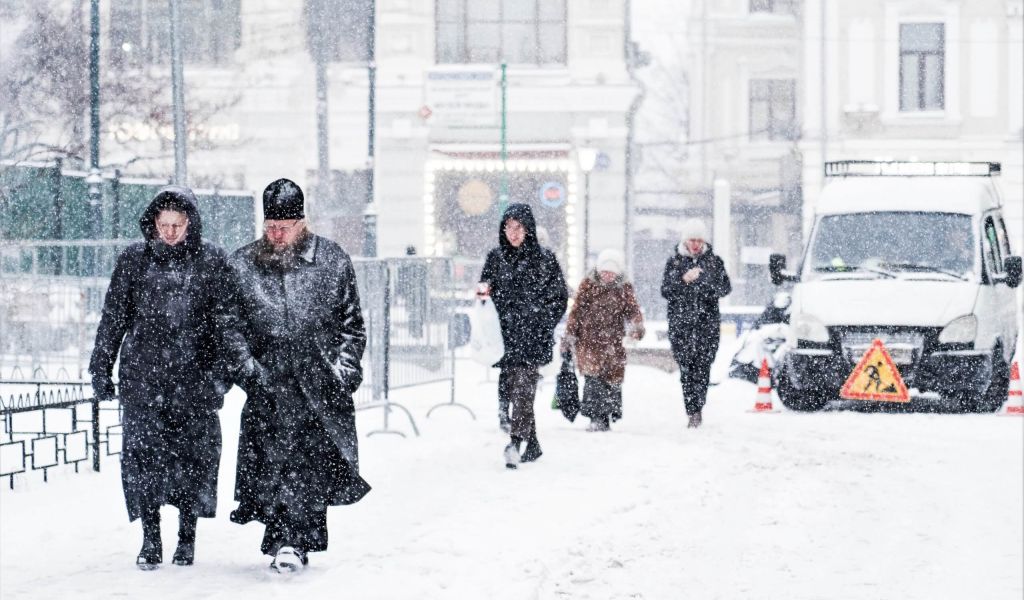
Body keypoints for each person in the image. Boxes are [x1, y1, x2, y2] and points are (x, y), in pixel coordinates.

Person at [221, 178, 371, 573]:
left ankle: (292, 541)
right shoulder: (242, 265)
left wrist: (343, 373)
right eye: (270, 226)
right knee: (272, 465)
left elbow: (352, 325)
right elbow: (228, 326)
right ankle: (286, 539)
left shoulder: (332, 260)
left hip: (319, 384)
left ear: (301, 222)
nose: (276, 234)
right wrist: (249, 371)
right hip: (268, 383)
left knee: (307, 466)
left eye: (284, 227)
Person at [89, 186, 230, 570]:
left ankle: (187, 539)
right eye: (163, 224)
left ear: (190, 224)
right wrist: (100, 367)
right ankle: (151, 540)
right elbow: (113, 319)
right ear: (153, 223)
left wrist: (220, 379)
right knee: (143, 462)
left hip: (194, 382)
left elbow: (225, 326)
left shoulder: (211, 261)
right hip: (143, 380)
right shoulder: (134, 261)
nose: (168, 232)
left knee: (193, 462)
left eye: (177, 225)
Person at [478, 203, 568, 469]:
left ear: (528, 229)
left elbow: (559, 297)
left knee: (523, 390)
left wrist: (542, 320)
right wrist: (484, 295)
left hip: (533, 336)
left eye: (518, 228)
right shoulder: (496, 258)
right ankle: (534, 444)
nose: (513, 233)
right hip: (505, 337)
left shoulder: (545, 259)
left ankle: (515, 443)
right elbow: (485, 290)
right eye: (508, 227)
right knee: (515, 389)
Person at [563, 248, 645, 432]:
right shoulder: (588, 286)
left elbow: (633, 311)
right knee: (593, 380)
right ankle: (595, 417)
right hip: (589, 342)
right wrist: (570, 335)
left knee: (611, 381)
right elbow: (576, 312)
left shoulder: (624, 289)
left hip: (613, 343)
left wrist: (636, 328)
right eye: (604, 271)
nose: (607, 275)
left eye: (611, 272)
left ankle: (607, 415)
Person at [661, 218, 731, 428]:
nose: (695, 244)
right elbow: (666, 290)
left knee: (703, 368)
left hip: (706, 326)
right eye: (692, 240)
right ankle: (692, 409)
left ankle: (697, 407)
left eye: (699, 240)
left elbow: (725, 288)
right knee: (687, 369)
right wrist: (684, 280)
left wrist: (704, 283)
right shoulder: (674, 263)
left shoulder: (714, 262)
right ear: (685, 240)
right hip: (681, 326)